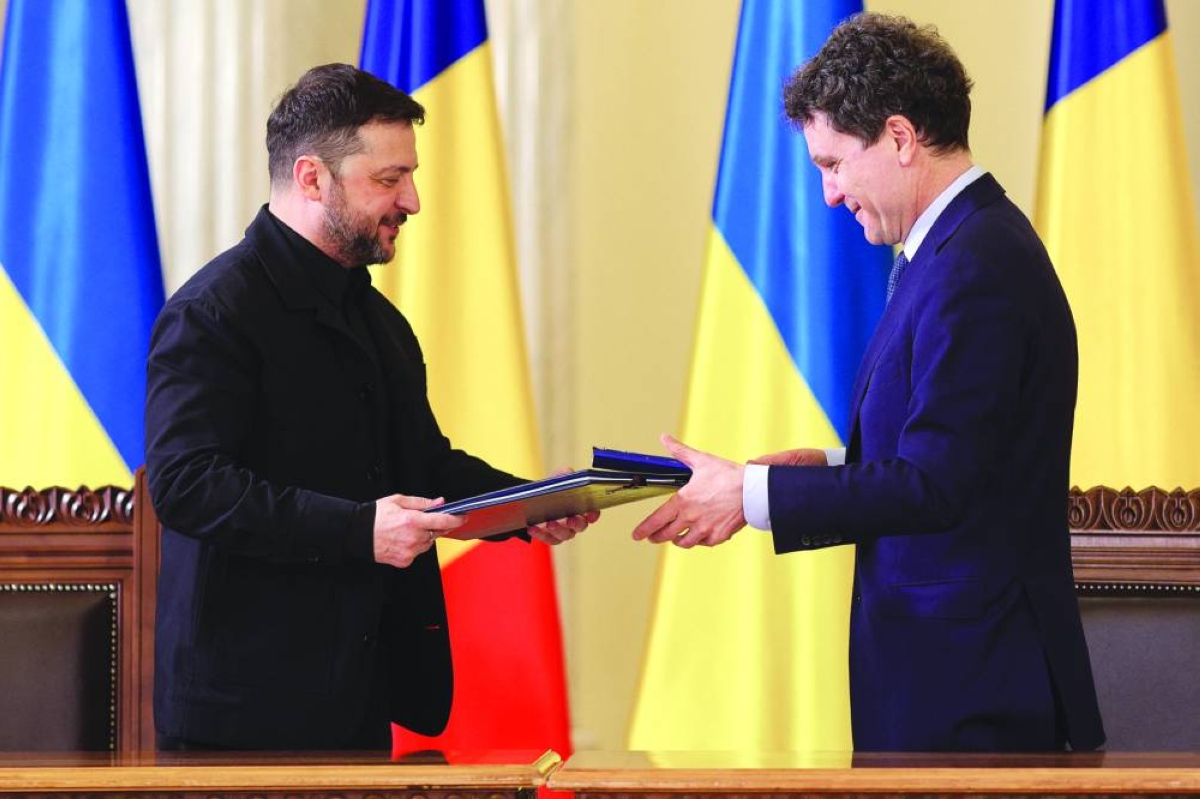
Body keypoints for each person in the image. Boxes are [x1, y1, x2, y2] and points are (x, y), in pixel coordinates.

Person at [632, 13, 1105, 752]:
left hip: (975, 694)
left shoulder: (975, 265)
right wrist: (825, 467)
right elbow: (961, 457)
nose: (828, 194)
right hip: (949, 681)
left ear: (900, 137)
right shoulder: (952, 250)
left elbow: (936, 485)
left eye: (833, 163)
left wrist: (750, 495)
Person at [145, 63, 593, 751]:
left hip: (359, 693)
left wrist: (530, 503)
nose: (412, 200)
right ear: (311, 179)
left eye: (410, 176)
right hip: (241, 715)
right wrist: (359, 531)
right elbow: (187, 485)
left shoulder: (380, 321)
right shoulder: (212, 313)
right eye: (390, 179)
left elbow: (422, 466)